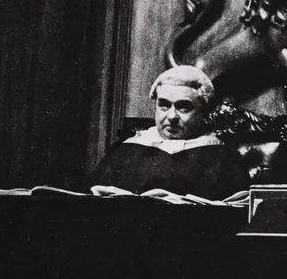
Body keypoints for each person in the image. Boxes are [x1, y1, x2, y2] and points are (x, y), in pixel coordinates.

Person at [86, 65, 249, 200]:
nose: (171, 116)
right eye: (164, 105)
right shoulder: (127, 150)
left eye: (183, 107)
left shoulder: (221, 156)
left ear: (203, 113)